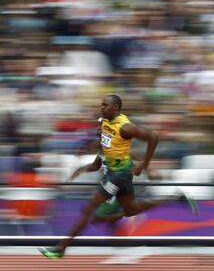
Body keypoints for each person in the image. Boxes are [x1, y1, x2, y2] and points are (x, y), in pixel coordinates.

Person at [39, 94, 198, 259]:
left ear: (115, 107)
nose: (101, 107)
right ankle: (175, 198)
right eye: (101, 104)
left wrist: (143, 164)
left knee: (89, 209)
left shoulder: (125, 127)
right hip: (118, 173)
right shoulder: (104, 121)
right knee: (131, 210)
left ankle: (60, 249)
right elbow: (104, 142)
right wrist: (87, 150)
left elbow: (153, 137)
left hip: (119, 174)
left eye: (105, 105)